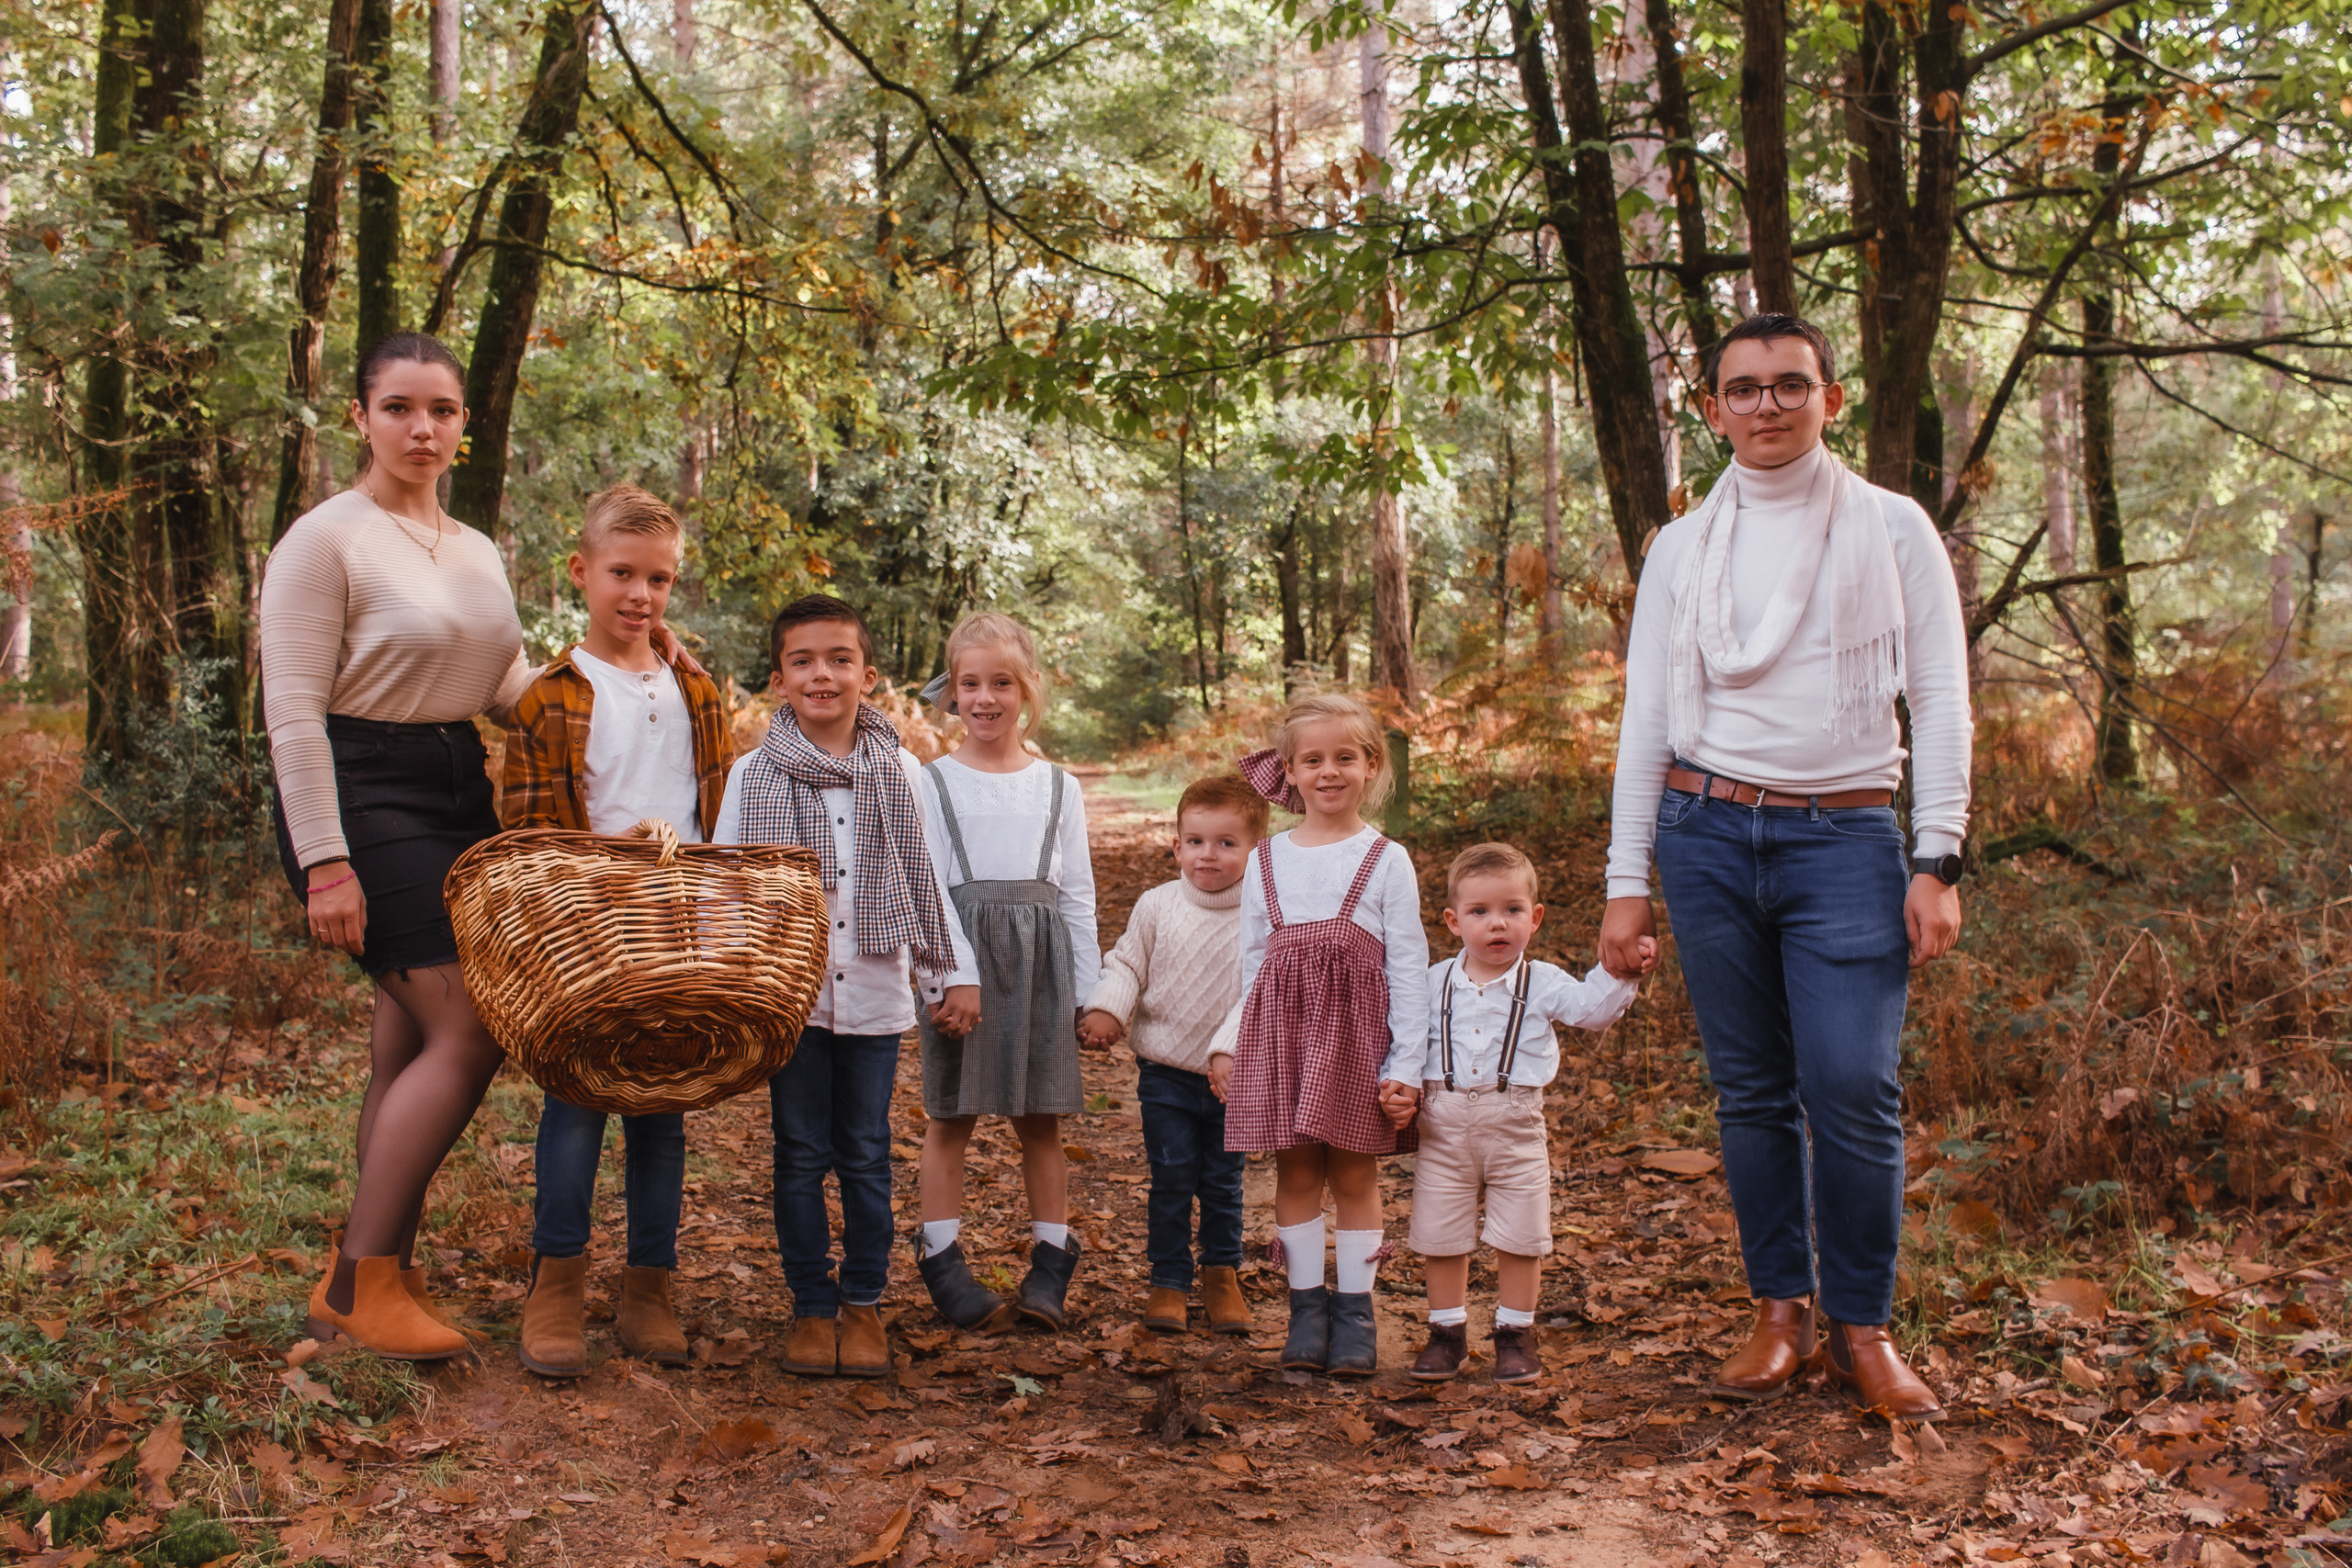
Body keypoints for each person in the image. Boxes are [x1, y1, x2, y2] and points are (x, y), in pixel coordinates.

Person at [1597, 312, 1970, 1421]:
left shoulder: (1893, 530)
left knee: (1853, 1087)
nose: (1766, 404)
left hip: (1847, 839)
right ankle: (1779, 1311)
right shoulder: (1680, 548)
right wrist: (1627, 882)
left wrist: (1936, 855)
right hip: (1704, 835)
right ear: (1713, 408)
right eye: (1743, 388)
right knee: (1750, 1091)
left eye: (1788, 385)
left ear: (1829, 398)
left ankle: (1864, 1328)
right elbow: (1645, 722)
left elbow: (1941, 697)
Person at [263, 332, 538, 1361]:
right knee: (470, 1023)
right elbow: (291, 713)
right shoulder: (324, 539)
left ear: (464, 426)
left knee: (406, 1042)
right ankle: (361, 1282)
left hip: (458, 786)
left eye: (442, 411)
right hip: (361, 787)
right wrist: (324, 861)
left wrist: (624, 668)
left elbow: (506, 685)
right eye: (399, 408)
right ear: (361, 418)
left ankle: (380, 1266)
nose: (422, 429)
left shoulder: (473, 547)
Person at [710, 594, 979, 1379]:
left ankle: (862, 1301)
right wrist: (728, 987)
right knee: (797, 1153)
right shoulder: (753, 775)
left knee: (863, 1153)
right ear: (778, 678)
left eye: (838, 660)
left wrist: (950, 973)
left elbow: (927, 879)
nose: (821, 674)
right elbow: (728, 887)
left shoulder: (900, 771)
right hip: (788, 998)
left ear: (867, 673)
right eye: (803, 661)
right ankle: (810, 1304)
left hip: (872, 995)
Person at [498, 485, 730, 1379]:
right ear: (581, 573)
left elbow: (718, 807)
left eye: (659, 580)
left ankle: (649, 1285)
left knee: (661, 1111)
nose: (640, 594)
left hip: (679, 920)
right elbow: (526, 827)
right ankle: (556, 1281)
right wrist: (564, 910)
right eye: (622, 574)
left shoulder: (694, 687)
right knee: (577, 1097)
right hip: (589, 924)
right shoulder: (551, 696)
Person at [1208, 693, 1430, 1378]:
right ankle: (1306, 1307)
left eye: (1345, 757)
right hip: (1284, 1039)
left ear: (1371, 765)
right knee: (1298, 1170)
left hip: (1360, 1043)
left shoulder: (1386, 858)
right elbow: (1252, 963)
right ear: (1291, 771)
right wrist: (1236, 1042)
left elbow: (1410, 969)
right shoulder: (1268, 859)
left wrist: (1407, 1066)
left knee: (1355, 1171)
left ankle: (1356, 1309)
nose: (1328, 771)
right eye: (1313, 759)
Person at [1381, 843, 1642, 1384]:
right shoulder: (1431, 984)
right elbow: (1403, 1039)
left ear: (1535, 917)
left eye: (1512, 910)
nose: (1496, 924)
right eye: (1479, 912)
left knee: (1521, 1235)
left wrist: (1624, 970)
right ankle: (1446, 1331)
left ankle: (1515, 1332)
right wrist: (1397, 1085)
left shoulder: (1542, 982)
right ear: (1453, 921)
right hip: (1444, 1128)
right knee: (1440, 1233)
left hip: (1516, 1125)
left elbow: (1590, 1010)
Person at [911, 614, 1102, 1333]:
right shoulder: (930, 782)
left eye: (1001, 682)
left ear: (1027, 691)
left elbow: (1077, 894)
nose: (985, 697)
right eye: (970, 683)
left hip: (1043, 961)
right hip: (964, 959)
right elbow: (924, 887)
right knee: (950, 1116)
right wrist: (941, 977)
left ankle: (1051, 1259)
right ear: (951, 694)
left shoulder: (1059, 786)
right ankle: (942, 1255)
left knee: (1040, 1118)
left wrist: (1094, 993)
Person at [1079, 773, 1265, 1337]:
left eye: (1228, 843)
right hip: (1164, 1072)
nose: (1210, 855)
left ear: (1256, 851)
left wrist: (1229, 1050)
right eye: (1197, 841)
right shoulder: (1157, 905)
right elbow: (1128, 964)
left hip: (1233, 1077)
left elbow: (1261, 990)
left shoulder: (1260, 915)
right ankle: (1168, 1278)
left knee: (1223, 1181)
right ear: (1177, 844)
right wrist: (1110, 1010)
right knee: (1171, 1175)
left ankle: (1220, 1273)